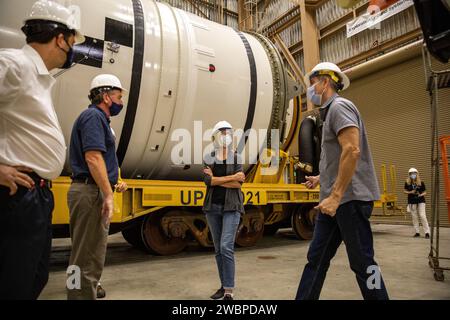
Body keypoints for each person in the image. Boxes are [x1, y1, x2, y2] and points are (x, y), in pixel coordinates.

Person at [0, 0, 84, 300]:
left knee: (34, 278)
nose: (70, 50)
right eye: (71, 43)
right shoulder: (14, 64)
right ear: (59, 38)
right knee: (14, 284)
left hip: (37, 197)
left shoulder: (39, 77)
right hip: (17, 197)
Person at [296, 62, 389, 300]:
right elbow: (339, 157)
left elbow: (352, 150)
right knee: (315, 259)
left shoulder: (340, 107)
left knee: (364, 263)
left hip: (349, 200)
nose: (310, 89)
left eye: (312, 83)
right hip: (333, 203)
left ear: (325, 81)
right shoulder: (329, 114)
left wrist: (336, 195)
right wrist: (321, 178)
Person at [66, 74, 128, 300]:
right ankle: (77, 297)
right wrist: (108, 194)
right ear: (105, 96)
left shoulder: (97, 119)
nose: (121, 102)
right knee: (87, 257)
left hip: (90, 189)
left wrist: (113, 182)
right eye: (119, 96)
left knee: (82, 255)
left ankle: (74, 294)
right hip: (90, 192)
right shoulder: (94, 116)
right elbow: (93, 157)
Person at [203, 121, 245, 301]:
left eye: (228, 132)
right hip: (213, 207)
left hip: (231, 207)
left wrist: (217, 179)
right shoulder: (209, 157)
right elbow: (208, 182)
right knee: (218, 250)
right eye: (222, 132)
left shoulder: (237, 158)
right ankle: (222, 286)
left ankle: (229, 290)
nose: (226, 135)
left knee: (226, 246)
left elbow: (239, 183)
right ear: (215, 136)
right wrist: (231, 178)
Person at [404, 168, 430, 238]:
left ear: (417, 174)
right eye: (411, 173)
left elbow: (425, 192)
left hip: (421, 200)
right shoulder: (407, 183)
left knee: (422, 216)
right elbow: (404, 191)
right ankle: (417, 232)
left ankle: (427, 232)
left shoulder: (421, 182)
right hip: (412, 201)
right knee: (414, 217)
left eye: (414, 173)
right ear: (409, 175)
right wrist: (410, 192)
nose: (413, 175)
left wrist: (420, 194)